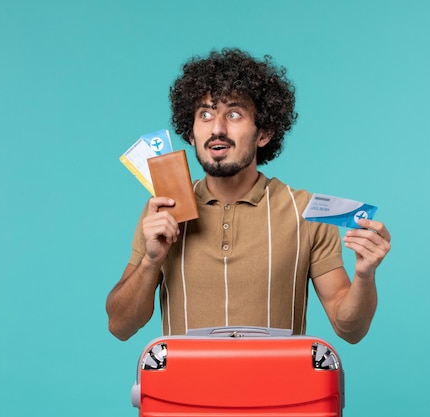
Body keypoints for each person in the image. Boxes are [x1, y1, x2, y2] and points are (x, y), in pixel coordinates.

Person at [106, 48, 391, 343]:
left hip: (279, 388)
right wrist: (151, 261)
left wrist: (365, 275)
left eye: (233, 114)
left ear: (263, 133)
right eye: (205, 114)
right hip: (184, 388)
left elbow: (351, 329)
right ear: (191, 134)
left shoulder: (306, 212)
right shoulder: (163, 209)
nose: (217, 128)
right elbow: (120, 325)